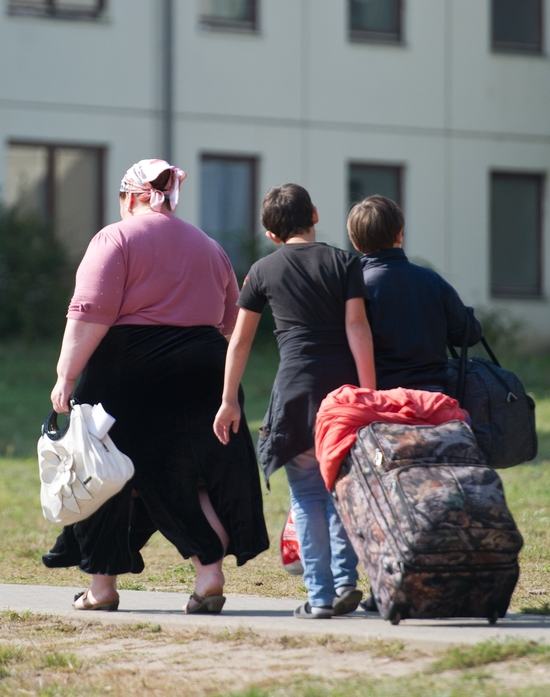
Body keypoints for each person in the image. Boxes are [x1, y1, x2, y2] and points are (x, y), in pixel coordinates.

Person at [43, 159, 268, 615]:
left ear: (130, 196)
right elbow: (227, 322)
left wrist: (66, 377)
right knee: (194, 474)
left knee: (104, 472)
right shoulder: (209, 246)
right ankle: (209, 575)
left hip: (131, 372)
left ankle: (102, 588)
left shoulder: (115, 238)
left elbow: (88, 315)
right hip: (206, 368)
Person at [213, 183, 376, 619]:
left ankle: (319, 597)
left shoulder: (263, 270)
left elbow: (240, 342)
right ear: (316, 214)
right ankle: (346, 583)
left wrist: (229, 400)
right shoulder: (345, 263)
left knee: (306, 495)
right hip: (341, 396)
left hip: (294, 397)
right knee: (343, 491)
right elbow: (358, 329)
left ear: (270, 233)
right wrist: (369, 395)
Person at [346, 194, 481, 391]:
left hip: (378, 396)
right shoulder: (432, 280)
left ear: (355, 243)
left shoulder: (354, 287)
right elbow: (470, 334)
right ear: (400, 234)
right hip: (433, 396)